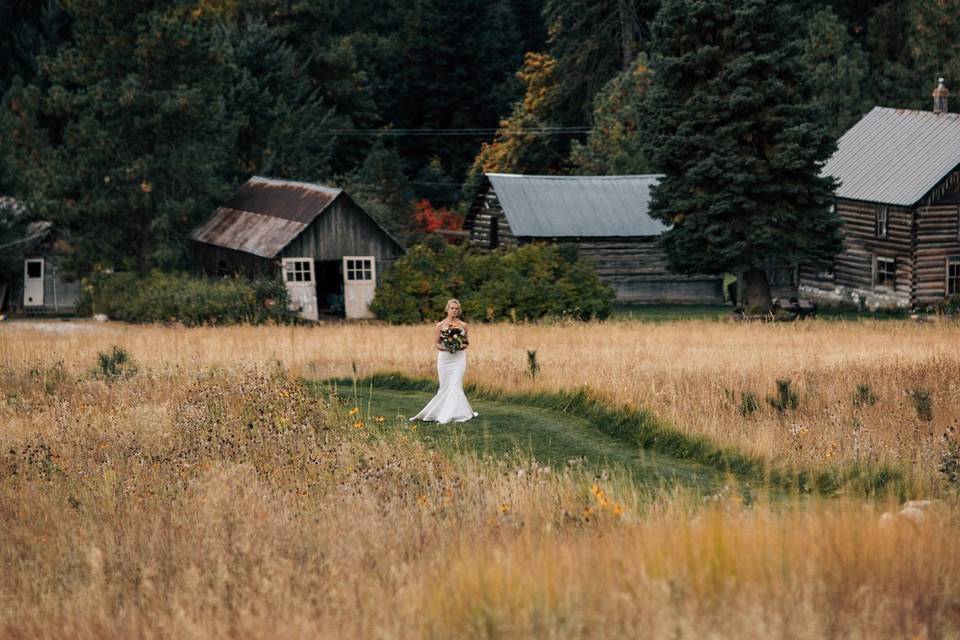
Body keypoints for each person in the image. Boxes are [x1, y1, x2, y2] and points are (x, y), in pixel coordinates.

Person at [410, 298, 478, 423]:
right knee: (445, 386)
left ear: (459, 310)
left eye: (456, 309)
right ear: (447, 309)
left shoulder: (463, 325)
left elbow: (466, 343)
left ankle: (454, 413)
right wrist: (448, 348)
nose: (454, 311)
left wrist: (458, 346)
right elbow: (437, 344)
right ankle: (441, 411)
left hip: (459, 358)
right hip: (445, 359)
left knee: (456, 384)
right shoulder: (440, 325)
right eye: (452, 308)